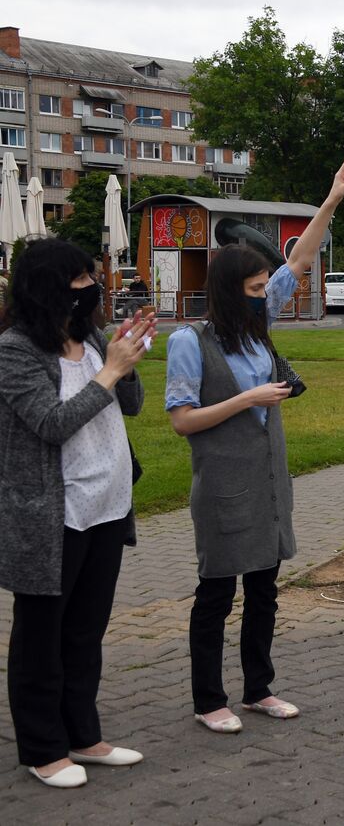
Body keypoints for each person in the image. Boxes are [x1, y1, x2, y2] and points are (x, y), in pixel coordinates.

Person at [166, 154, 344, 733]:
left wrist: (330, 200)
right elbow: (182, 421)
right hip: (224, 483)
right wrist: (245, 401)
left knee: (265, 590)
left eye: (263, 288)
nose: (263, 294)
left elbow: (299, 260)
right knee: (216, 594)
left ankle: (259, 687)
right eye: (253, 288)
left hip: (270, 480)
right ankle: (209, 699)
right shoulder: (188, 342)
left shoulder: (258, 328)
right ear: (230, 291)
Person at [0, 240, 154, 788]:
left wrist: (124, 359)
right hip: (51, 517)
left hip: (107, 507)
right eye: (83, 280)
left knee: (86, 632)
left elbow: (129, 405)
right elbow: (52, 423)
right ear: (49, 289)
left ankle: (83, 736)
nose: (95, 286)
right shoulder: (14, 350)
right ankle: (43, 749)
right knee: (42, 637)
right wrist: (109, 372)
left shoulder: (87, 337)